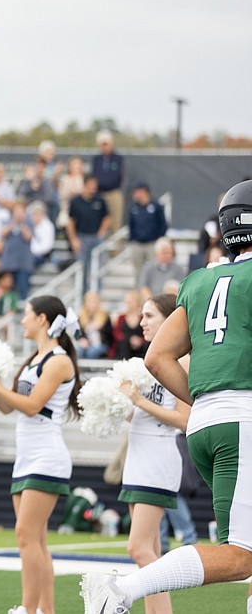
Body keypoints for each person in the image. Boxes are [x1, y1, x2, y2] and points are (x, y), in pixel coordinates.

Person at [80, 179, 252, 613]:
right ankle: (120, 589)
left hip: (208, 423)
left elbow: (158, 358)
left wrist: (204, 400)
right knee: (239, 555)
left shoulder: (199, 281)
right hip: (242, 420)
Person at [0, 296, 82, 614]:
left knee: (25, 536)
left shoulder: (58, 360)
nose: (22, 320)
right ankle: (45, 611)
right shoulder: (32, 360)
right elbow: (6, 407)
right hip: (26, 458)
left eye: (26, 315)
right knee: (35, 541)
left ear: (42, 319)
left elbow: (31, 405)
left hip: (46, 456)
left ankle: (28, 609)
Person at [117, 292, 191, 614]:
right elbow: (143, 414)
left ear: (168, 319)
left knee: (138, 549)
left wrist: (138, 400)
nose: (141, 322)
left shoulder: (181, 358)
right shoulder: (146, 359)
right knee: (151, 550)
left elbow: (184, 420)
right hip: (137, 458)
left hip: (158, 460)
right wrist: (118, 403)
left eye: (149, 316)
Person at [66, 174, 110, 296]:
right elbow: (70, 222)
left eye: (94, 186)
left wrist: (101, 233)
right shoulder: (75, 201)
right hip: (81, 237)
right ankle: (82, 295)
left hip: (96, 238)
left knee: (98, 268)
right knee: (82, 268)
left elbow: (107, 217)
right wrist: (73, 239)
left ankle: (96, 294)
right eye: (90, 186)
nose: (93, 189)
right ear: (84, 185)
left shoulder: (100, 200)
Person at [0, 201, 35, 300]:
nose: (19, 214)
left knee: (22, 291)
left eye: (21, 211)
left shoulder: (29, 222)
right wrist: (13, 223)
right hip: (8, 262)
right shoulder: (8, 221)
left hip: (23, 263)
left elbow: (29, 237)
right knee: (7, 290)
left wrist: (21, 225)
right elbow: (2, 234)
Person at [127, 183, 168, 280]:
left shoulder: (156, 206)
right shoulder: (133, 208)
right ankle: (139, 293)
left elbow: (163, 224)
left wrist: (158, 239)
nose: (134, 195)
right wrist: (132, 239)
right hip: (137, 243)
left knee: (154, 270)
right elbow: (131, 225)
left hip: (152, 243)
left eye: (136, 192)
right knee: (137, 272)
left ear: (144, 192)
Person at [91, 130, 126, 233]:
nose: (105, 147)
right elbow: (94, 175)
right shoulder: (96, 159)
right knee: (99, 221)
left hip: (114, 193)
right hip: (99, 193)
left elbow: (120, 176)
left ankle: (116, 248)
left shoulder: (118, 159)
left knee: (116, 223)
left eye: (107, 144)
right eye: (103, 144)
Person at [110, 291, 147, 360]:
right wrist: (130, 339)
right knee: (124, 344)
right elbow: (116, 333)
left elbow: (146, 333)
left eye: (130, 302)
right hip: (124, 347)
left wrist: (139, 340)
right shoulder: (121, 317)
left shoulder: (142, 317)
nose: (128, 305)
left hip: (139, 346)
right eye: (127, 302)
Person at [76, 291, 113, 359]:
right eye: (91, 302)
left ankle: (88, 369)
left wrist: (101, 328)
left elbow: (110, 335)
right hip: (87, 344)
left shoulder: (105, 316)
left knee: (92, 352)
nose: (93, 305)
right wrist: (82, 340)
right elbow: (77, 334)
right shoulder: (81, 317)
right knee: (79, 350)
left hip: (101, 344)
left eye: (95, 302)